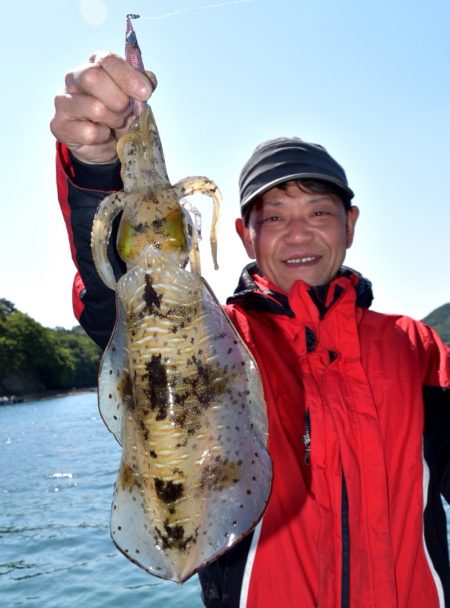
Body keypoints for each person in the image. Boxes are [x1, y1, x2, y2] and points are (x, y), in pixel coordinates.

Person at [51, 53, 450, 608]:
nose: (297, 235)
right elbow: (112, 303)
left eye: (319, 213)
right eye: (275, 217)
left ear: (350, 225)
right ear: (243, 234)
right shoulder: (222, 336)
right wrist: (96, 167)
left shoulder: (418, 348)